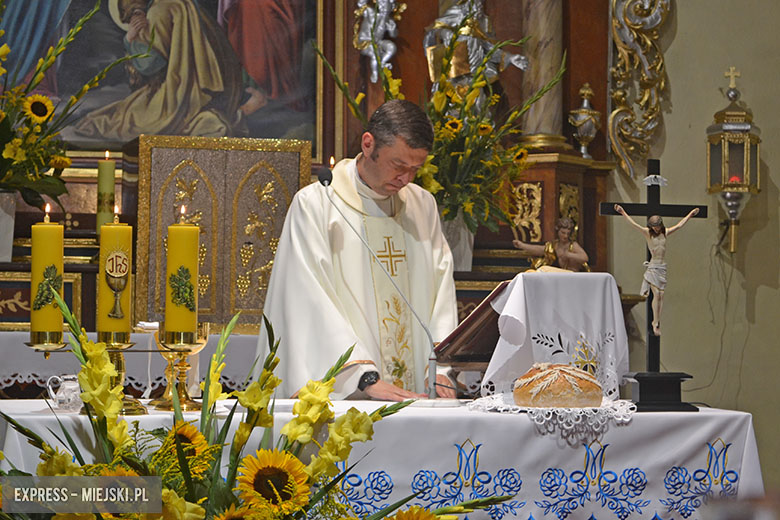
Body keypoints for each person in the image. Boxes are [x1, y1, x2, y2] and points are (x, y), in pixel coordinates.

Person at [256, 99, 458, 401]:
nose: (406, 179)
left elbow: (441, 291)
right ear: (368, 144)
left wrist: (440, 369)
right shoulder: (317, 205)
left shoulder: (422, 206)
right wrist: (363, 377)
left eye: (416, 169)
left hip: (419, 395)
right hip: (350, 397)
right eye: (398, 166)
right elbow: (306, 297)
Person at [73, 0, 242, 141]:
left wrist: (130, 40)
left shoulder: (158, 12)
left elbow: (149, 65)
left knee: (116, 120)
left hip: (173, 93)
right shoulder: (185, 4)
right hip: (201, 91)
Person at [614, 204, 699, 336]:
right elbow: (634, 224)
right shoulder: (648, 234)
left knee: (662, 295)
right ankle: (656, 323)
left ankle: (656, 321)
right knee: (657, 295)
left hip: (662, 267)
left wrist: (691, 214)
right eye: (654, 226)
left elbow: (679, 225)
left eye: (658, 225)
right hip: (653, 267)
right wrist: (622, 212)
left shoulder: (665, 232)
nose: (656, 228)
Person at [513, 217, 589, 272]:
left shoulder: (573, 245)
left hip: (573, 277)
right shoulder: (553, 245)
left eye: (568, 233)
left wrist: (569, 255)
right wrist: (522, 245)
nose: (565, 236)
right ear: (558, 231)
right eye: (563, 233)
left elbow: (585, 258)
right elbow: (540, 250)